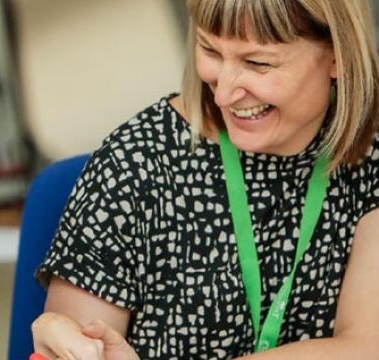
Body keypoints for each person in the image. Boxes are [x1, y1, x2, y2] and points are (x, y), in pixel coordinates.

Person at [31, 0, 379, 359]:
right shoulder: (135, 162)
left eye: (258, 63)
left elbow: (368, 348)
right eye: (209, 49)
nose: (224, 93)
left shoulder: (371, 158)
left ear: (338, 54)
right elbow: (76, 345)